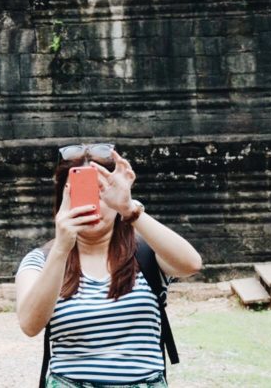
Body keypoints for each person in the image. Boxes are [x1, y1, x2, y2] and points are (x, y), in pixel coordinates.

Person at [16, 144, 203, 388]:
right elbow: (30, 325)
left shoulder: (146, 254)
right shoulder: (41, 261)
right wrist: (61, 248)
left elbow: (191, 264)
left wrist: (130, 210)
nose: (93, 203)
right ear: (62, 199)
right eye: (81, 193)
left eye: (101, 191)